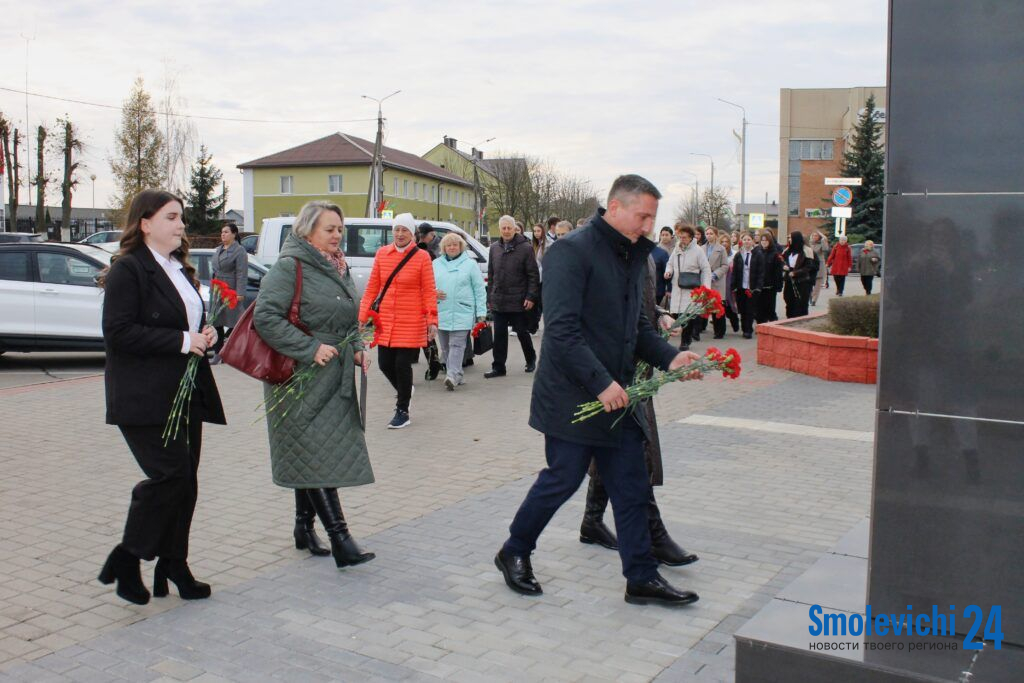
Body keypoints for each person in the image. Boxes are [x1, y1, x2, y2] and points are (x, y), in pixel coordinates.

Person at [494, 174, 701, 607]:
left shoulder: (631, 254)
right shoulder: (571, 252)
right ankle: (514, 550)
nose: (649, 226)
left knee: (631, 484)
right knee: (562, 479)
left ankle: (641, 577)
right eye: (643, 216)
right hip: (572, 394)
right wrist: (601, 383)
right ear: (615, 206)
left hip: (616, 395)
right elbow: (562, 332)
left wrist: (670, 358)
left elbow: (637, 327)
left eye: (653, 218)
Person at [98, 189, 225, 605]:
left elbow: (189, 323)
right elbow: (118, 332)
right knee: (170, 476)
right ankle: (127, 556)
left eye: (181, 217)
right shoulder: (129, 269)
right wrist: (182, 340)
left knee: (185, 483)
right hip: (144, 396)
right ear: (145, 223)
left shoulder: (178, 269)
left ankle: (174, 564)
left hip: (185, 392)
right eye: (171, 217)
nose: (181, 225)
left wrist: (207, 333)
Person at [254, 200, 375, 568]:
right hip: (299, 379)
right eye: (329, 229)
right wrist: (309, 348)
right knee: (315, 452)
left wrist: (357, 348)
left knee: (312, 452)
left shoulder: (337, 266)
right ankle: (341, 539)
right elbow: (266, 317)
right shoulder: (289, 266)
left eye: (340, 229)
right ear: (308, 231)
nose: (337, 235)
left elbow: (347, 320)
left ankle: (303, 527)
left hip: (333, 377)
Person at [579, 251, 698, 568]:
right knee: (636, 452)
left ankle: (592, 520)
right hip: (613, 371)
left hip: (638, 365)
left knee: (613, 448)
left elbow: (639, 306)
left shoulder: (643, 254)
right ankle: (653, 537)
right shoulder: (603, 251)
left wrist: (659, 315)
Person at [358, 213, 438, 428]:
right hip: (385, 319)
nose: (400, 234)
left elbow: (429, 290)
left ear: (412, 234)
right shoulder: (382, 254)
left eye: (405, 230)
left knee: (402, 364)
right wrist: (363, 315)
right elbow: (372, 288)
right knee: (384, 364)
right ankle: (406, 390)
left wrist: (432, 319)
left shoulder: (422, 257)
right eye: (397, 230)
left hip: (411, 319)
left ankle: (402, 410)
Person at [485, 215, 540, 378]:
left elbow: (533, 275)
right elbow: (491, 274)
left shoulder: (526, 248)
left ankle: (530, 359)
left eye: (509, 228)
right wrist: (490, 297)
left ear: (515, 229)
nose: (506, 231)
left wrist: (531, 296)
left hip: (519, 299)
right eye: (504, 228)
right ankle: (498, 367)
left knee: (522, 333)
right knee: (499, 335)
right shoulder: (494, 248)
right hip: (499, 299)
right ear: (499, 229)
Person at [433, 233, 487, 390]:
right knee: (445, 347)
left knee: (457, 345)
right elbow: (426, 284)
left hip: (463, 310)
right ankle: (457, 374)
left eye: (455, 244)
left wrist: (481, 313)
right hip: (441, 310)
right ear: (443, 248)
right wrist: (432, 292)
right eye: (448, 245)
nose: (452, 247)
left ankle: (452, 375)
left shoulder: (470, 264)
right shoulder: (435, 264)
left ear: (461, 246)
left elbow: (479, 290)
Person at [664, 223, 711, 351]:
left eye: (684, 237)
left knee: (688, 315)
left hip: (691, 288)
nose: (682, 240)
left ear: (691, 237)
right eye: (680, 237)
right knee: (676, 314)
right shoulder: (677, 249)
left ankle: (685, 341)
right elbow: (670, 263)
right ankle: (680, 338)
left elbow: (706, 269)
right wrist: (668, 272)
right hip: (677, 286)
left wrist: (706, 287)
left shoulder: (698, 250)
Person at [209, 222, 247, 364]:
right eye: (222, 232)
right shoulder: (219, 249)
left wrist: (240, 292)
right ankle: (218, 353)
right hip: (217, 289)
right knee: (216, 321)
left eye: (226, 232)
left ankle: (233, 351)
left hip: (231, 290)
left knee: (235, 322)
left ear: (234, 234)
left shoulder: (239, 250)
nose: (223, 234)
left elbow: (242, 273)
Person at [782, 230, 817, 318]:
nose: (789, 239)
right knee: (789, 300)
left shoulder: (807, 251)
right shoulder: (787, 250)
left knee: (800, 304)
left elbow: (809, 266)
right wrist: (784, 266)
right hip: (789, 280)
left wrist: (796, 273)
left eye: (790, 238)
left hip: (802, 281)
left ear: (796, 239)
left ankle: (800, 321)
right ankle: (790, 319)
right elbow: (782, 260)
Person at [703, 227, 729, 339]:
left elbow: (725, 265)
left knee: (717, 307)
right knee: (704, 306)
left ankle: (719, 331)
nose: (709, 235)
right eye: (707, 233)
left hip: (716, 280)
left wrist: (715, 274)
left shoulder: (721, 249)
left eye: (711, 233)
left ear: (716, 235)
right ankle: (699, 329)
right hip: (705, 280)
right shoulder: (701, 248)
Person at [752, 230, 783, 323]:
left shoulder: (775, 254)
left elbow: (778, 272)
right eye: (762, 240)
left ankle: (772, 324)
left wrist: (778, 286)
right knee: (759, 310)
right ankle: (761, 325)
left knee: (770, 309)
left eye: (766, 240)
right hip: (758, 286)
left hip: (770, 287)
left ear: (770, 241)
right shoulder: (756, 251)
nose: (764, 242)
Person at [732, 232, 757, 338]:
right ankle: (744, 328)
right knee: (742, 309)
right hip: (741, 286)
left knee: (750, 309)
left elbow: (760, 271)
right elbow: (735, 272)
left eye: (749, 239)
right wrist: (733, 286)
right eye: (745, 240)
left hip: (751, 286)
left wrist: (758, 286)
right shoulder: (738, 255)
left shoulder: (757, 254)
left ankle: (748, 330)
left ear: (752, 241)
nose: (747, 242)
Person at [528, 224, 548, 334]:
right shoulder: (533, 245)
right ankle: (533, 327)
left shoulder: (547, 245)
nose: (536, 233)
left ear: (543, 231)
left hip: (544, 279)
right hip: (535, 278)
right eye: (534, 231)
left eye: (538, 231)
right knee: (535, 303)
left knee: (542, 303)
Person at [719, 232, 740, 333]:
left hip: (730, 282)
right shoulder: (717, 254)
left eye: (726, 241)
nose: (724, 243)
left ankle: (734, 321)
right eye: (722, 242)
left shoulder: (735, 254)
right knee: (720, 306)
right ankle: (720, 330)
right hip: (719, 282)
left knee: (730, 305)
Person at [651, 227, 672, 307]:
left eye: (667, 235)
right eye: (663, 235)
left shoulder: (662, 253)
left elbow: (667, 271)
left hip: (657, 290)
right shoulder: (639, 251)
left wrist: (669, 289)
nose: (664, 237)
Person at [809, 230, 828, 305]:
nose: (814, 237)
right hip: (810, 264)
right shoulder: (809, 243)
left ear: (819, 237)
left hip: (819, 264)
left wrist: (823, 239)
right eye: (813, 235)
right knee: (809, 282)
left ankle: (814, 299)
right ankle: (810, 295)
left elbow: (825, 249)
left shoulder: (822, 243)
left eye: (816, 236)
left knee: (818, 283)